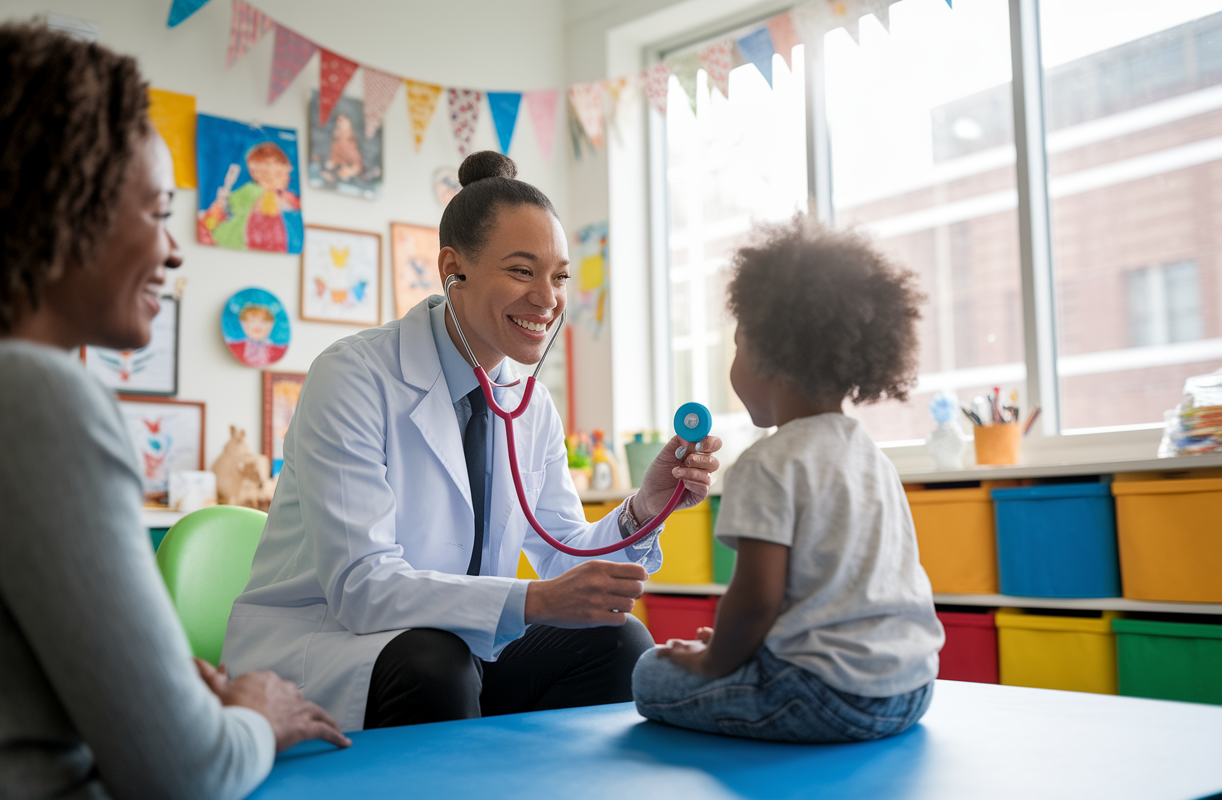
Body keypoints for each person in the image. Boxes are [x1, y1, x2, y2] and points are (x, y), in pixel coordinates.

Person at [0, 24, 348, 799]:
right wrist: (255, 710)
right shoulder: (26, 397)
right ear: (66, 205)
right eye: (159, 212)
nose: (173, 251)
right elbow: (187, 773)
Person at [222, 151, 723, 732]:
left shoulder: (528, 401)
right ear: (452, 268)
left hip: (457, 643)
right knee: (437, 663)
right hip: (328, 644)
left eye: (559, 276)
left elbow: (564, 552)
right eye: (521, 270)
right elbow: (359, 586)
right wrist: (533, 602)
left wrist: (645, 506)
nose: (548, 298)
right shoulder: (353, 375)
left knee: (617, 638)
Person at [631, 215, 945, 743]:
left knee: (648, 674)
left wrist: (714, 661)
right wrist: (746, 647)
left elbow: (755, 600)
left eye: (736, 346)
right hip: (910, 688)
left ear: (767, 353)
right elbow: (843, 590)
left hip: (823, 696)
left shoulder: (768, 462)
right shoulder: (871, 457)